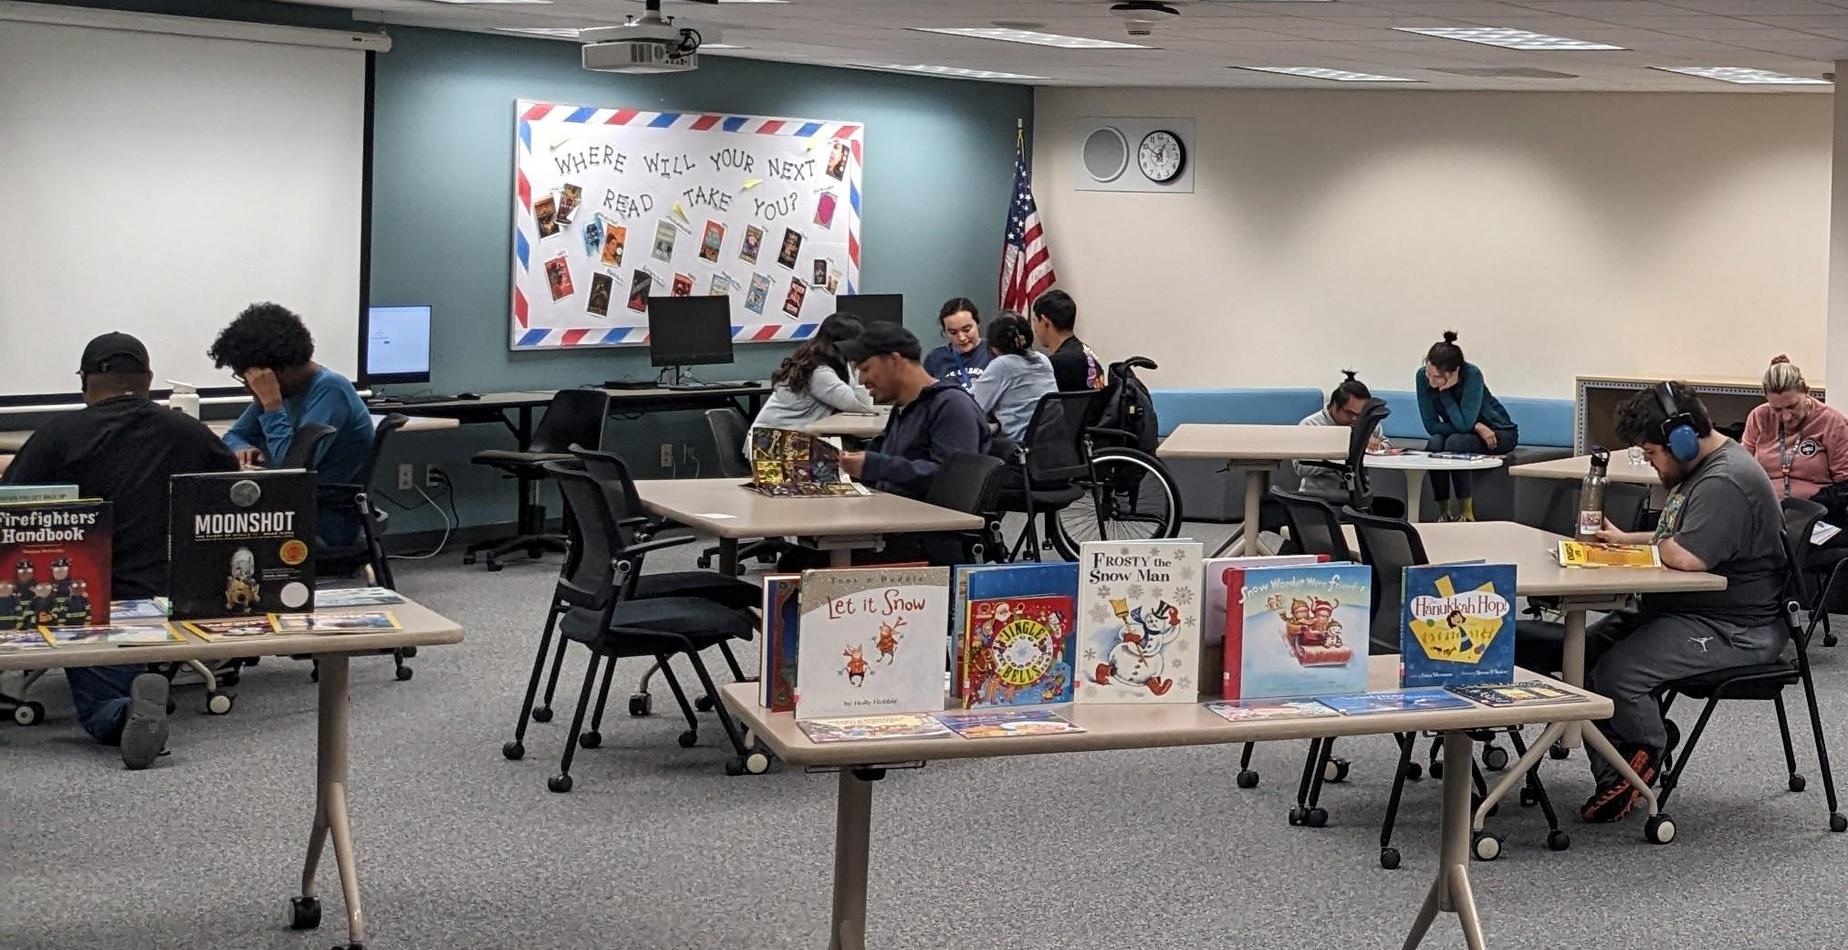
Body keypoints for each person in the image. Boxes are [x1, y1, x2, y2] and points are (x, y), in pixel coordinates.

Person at [4, 332, 239, 768]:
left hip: (84, 598)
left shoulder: (58, 435)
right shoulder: (186, 430)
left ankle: (127, 711)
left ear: (85, 382)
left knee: (100, 704)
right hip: (172, 590)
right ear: (148, 379)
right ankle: (146, 681)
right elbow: (226, 492)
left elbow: (11, 511)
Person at [1579, 383, 1787, 823]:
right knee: (1583, 655)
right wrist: (1626, 542)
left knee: (1620, 673)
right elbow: (1676, 540)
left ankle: (1649, 748)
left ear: (1683, 441)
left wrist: (1656, 547)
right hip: (1689, 609)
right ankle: (1616, 772)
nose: (1652, 465)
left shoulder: (1725, 481)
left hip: (1734, 628)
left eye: (1652, 453)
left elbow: (1688, 555)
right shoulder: (1704, 468)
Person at [211, 302, 373, 486]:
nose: (249, 388)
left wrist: (272, 406)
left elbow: (292, 468)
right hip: (291, 500)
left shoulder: (331, 389)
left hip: (324, 506)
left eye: (250, 379)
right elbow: (233, 436)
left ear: (276, 372)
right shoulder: (288, 390)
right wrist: (242, 448)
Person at [838, 323, 991, 500]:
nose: (862, 380)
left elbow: (954, 479)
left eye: (865, 369)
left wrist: (876, 466)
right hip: (891, 512)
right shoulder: (903, 407)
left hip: (927, 522)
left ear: (894, 360)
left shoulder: (952, 405)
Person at [1415, 330, 1517, 521]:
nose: (1430, 380)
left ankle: (1466, 513)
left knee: (1455, 443)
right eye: (1429, 372)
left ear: (1455, 372)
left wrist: (1445, 394)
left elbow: (1463, 424)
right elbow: (1431, 425)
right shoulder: (1422, 376)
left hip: (1497, 431)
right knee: (1435, 443)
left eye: (1437, 377)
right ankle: (1443, 512)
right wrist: (1477, 426)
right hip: (1470, 430)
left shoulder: (1472, 374)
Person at [747, 313, 874, 456]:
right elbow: (863, 405)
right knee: (860, 462)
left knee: (860, 456)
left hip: (782, 441)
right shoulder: (819, 373)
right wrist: (859, 363)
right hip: (771, 448)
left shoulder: (820, 362)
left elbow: (857, 399)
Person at [1740, 355, 1848, 513]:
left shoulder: (1833, 423)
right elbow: (1741, 467)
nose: (1786, 416)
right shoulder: (1759, 417)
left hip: (1817, 512)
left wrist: (1812, 506)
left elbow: (1845, 485)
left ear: (1806, 391)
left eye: (1792, 406)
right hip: (1764, 510)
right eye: (1776, 409)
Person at [1294, 370, 1384, 501]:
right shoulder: (1311, 425)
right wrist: (1339, 453)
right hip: (1317, 496)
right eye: (1349, 413)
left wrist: (1379, 446)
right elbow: (1300, 468)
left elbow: (1386, 445)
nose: (1355, 419)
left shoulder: (1368, 422)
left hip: (1358, 496)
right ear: (1335, 406)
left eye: (1360, 414)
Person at [968, 312, 1058, 442]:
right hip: (1051, 445)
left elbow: (970, 408)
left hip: (1017, 448)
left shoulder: (1003, 365)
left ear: (994, 346)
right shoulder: (1043, 359)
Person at [1031, 290, 1105, 393]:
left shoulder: (1055, 365)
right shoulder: (1088, 353)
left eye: (1034, 321)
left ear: (1044, 321)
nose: (1034, 329)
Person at [922, 297, 990, 390]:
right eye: (953, 332)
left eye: (967, 330)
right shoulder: (935, 358)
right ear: (945, 332)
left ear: (978, 324)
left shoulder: (993, 351)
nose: (961, 338)